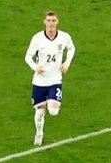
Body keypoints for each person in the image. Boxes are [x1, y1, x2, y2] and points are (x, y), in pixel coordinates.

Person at [24, 11, 75, 146]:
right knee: (40, 112)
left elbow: (71, 48)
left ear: (57, 22)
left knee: (53, 111)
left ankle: (48, 101)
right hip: (39, 81)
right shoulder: (37, 39)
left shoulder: (64, 37)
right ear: (44, 22)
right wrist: (35, 67)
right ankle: (39, 133)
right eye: (49, 20)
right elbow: (27, 56)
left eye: (53, 20)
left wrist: (67, 63)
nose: (51, 23)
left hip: (55, 80)